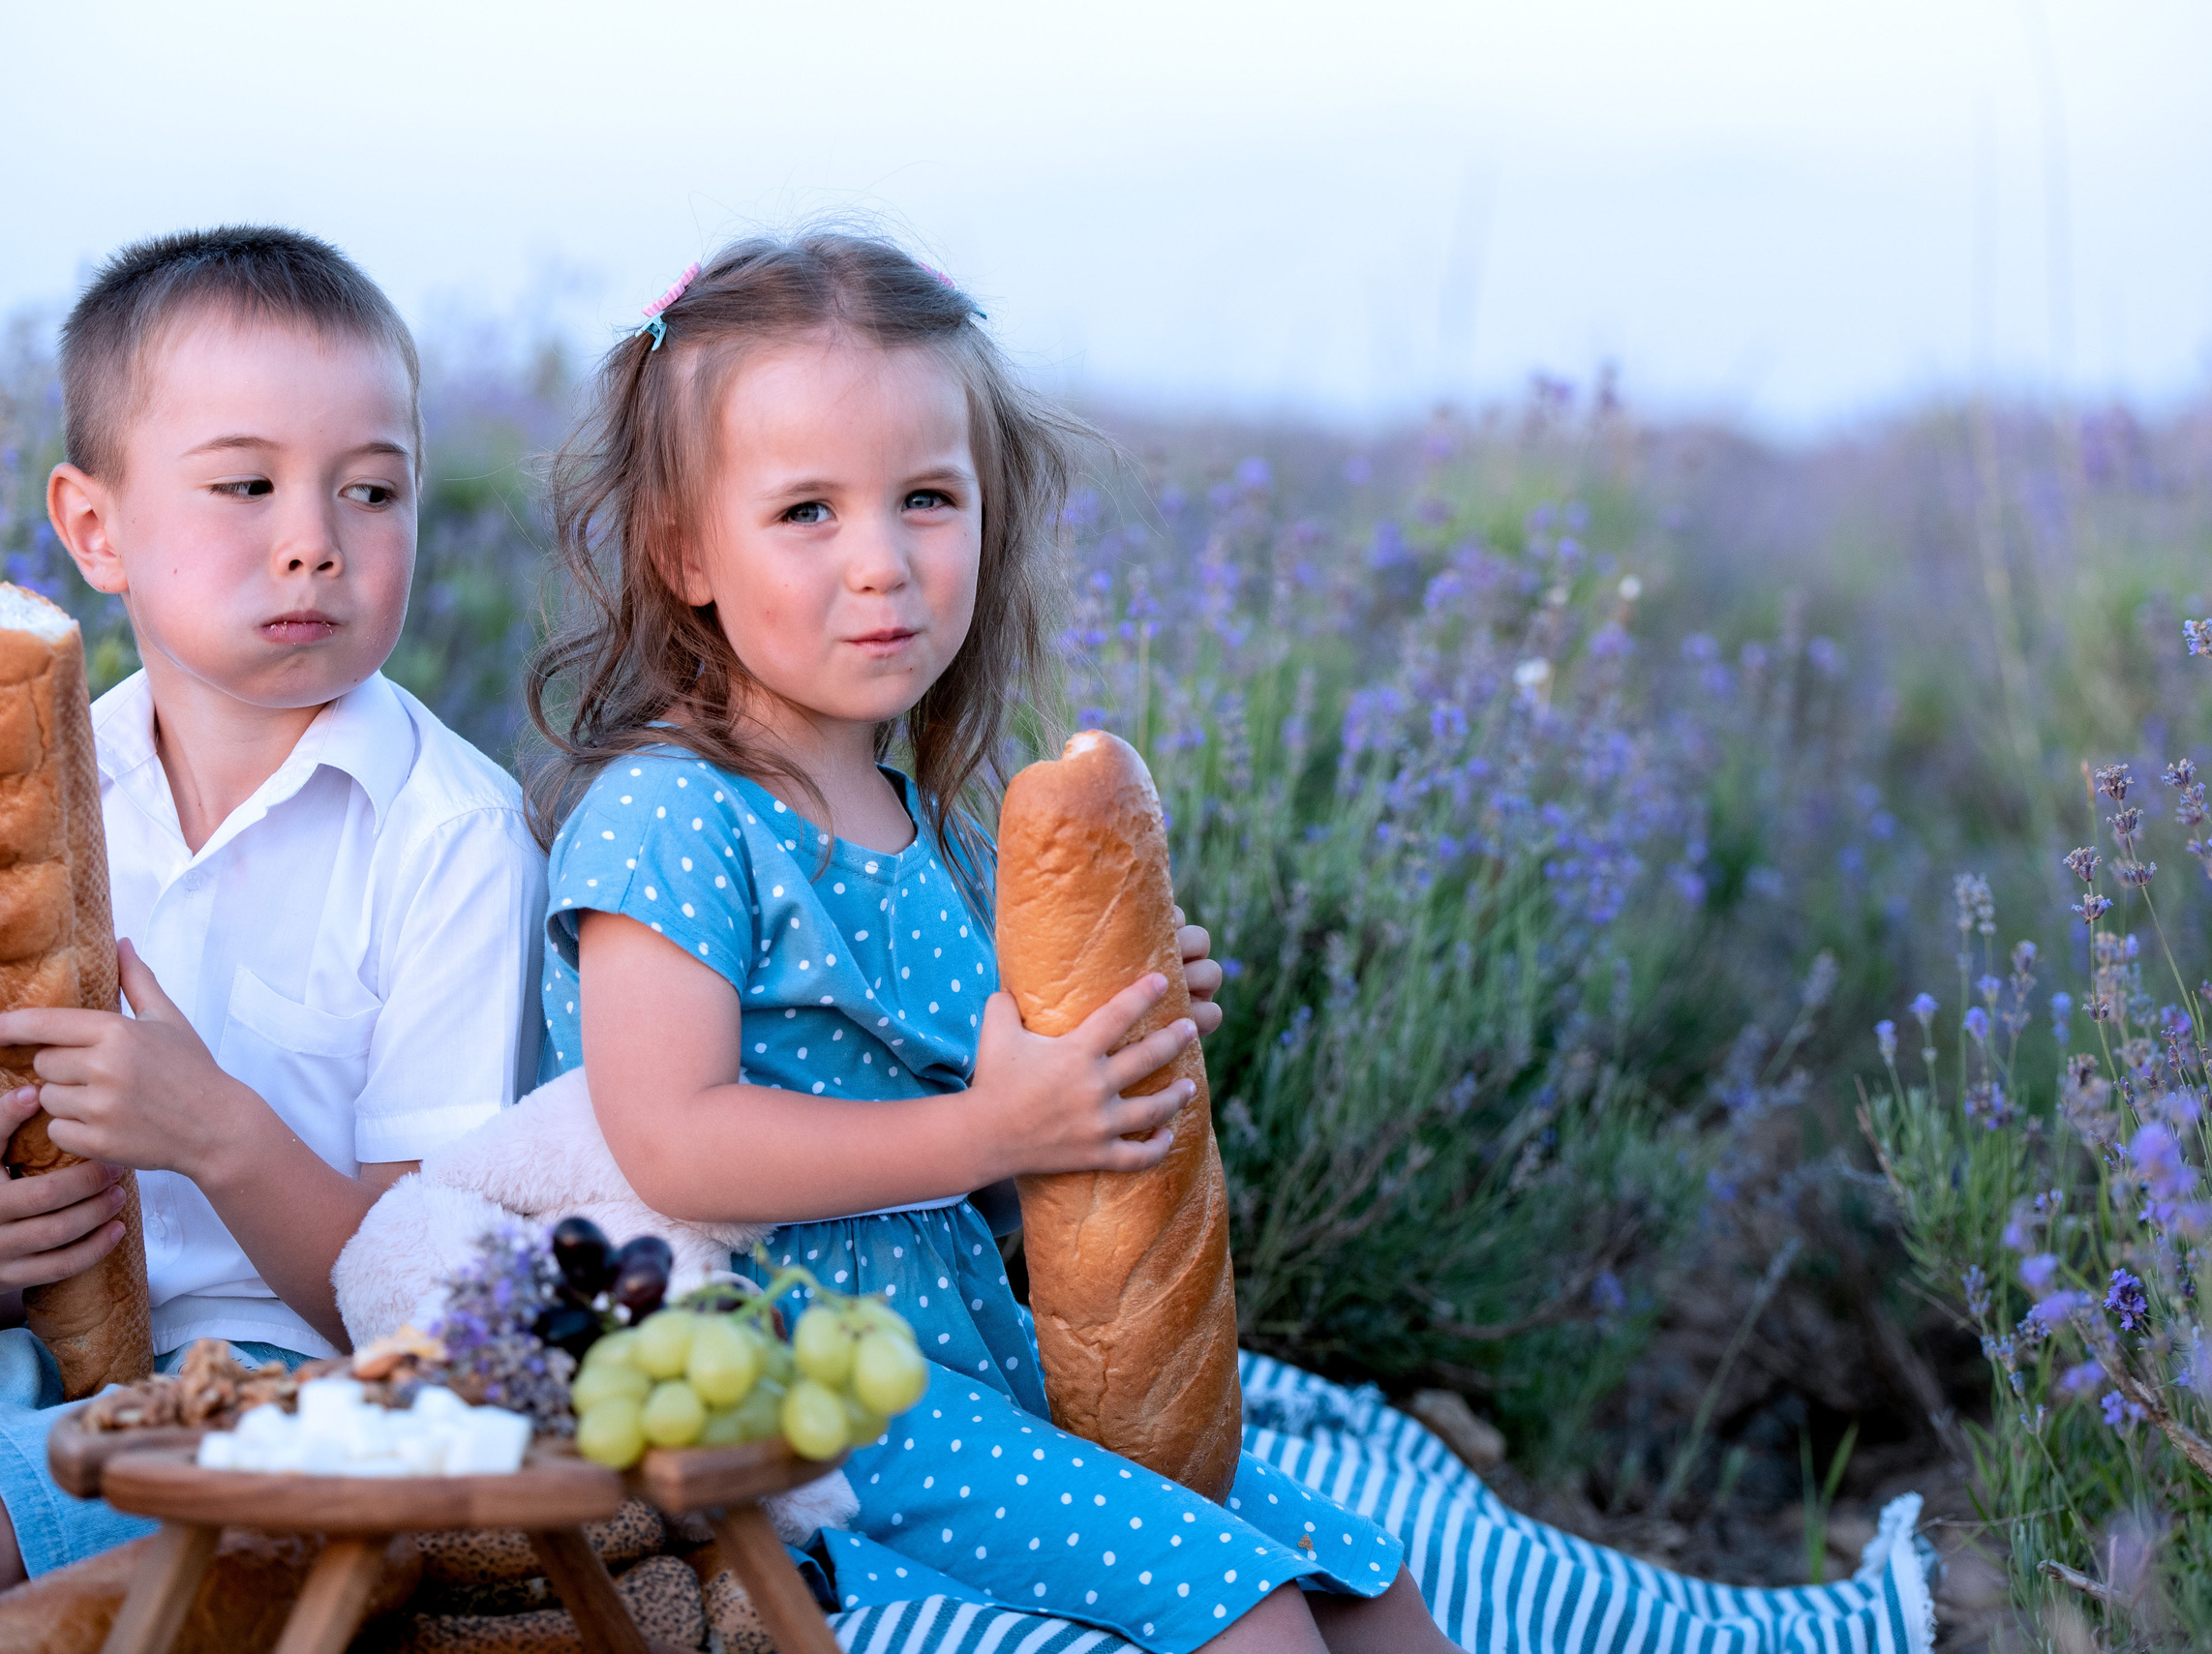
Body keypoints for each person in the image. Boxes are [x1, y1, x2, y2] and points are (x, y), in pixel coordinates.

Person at [527, 232, 1940, 1654]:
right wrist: (993, 1128)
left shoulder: (950, 829)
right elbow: (672, 1141)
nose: (883, 561)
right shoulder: (672, 814)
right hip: (795, 1387)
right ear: (684, 550)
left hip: (969, 1361)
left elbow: (997, 1195)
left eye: (927, 497)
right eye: (807, 514)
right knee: (1248, 1614)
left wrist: (1103, 1073)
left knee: (1366, 1582)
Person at [0, 226, 545, 1651]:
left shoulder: (453, 837)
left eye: (374, 488)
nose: (316, 535)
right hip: (31, 1364)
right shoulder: (45, 801)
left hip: (297, 1409)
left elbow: (428, 1322)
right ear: (94, 528)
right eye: (247, 484)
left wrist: (219, 1131)